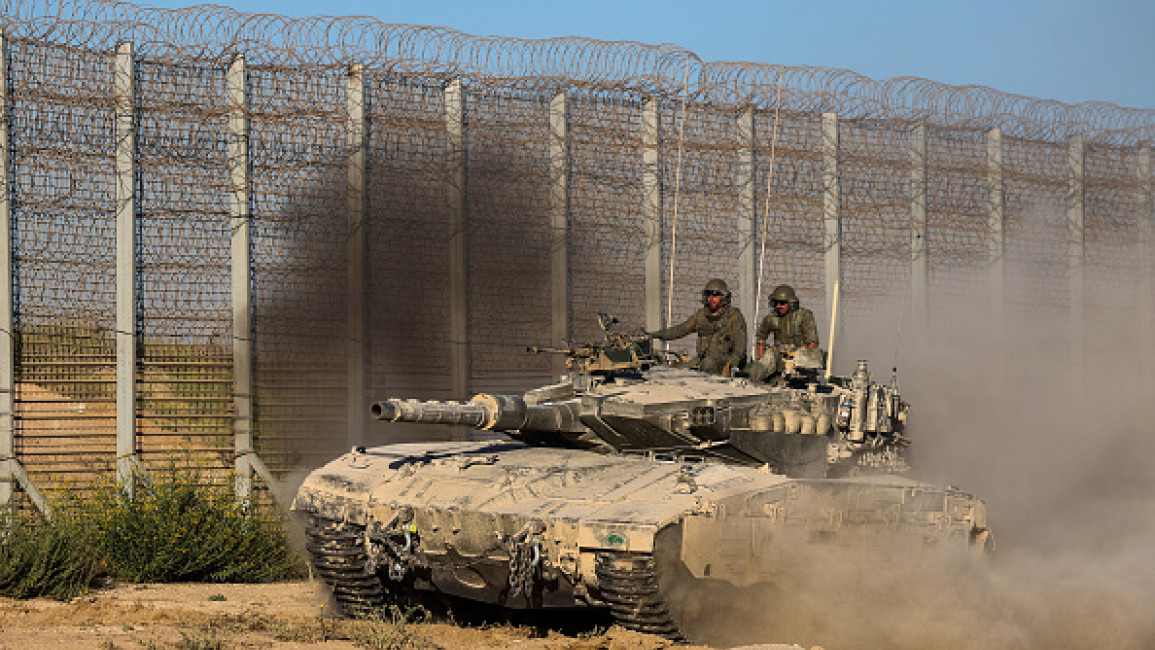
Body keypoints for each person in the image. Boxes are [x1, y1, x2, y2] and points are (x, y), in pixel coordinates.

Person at [648, 279, 747, 376]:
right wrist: (657, 334)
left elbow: (740, 347)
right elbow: (681, 330)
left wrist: (733, 364)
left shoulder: (734, 316)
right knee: (679, 369)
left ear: (724, 297)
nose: (711, 298)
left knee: (708, 364)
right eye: (709, 294)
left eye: (715, 295)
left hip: (726, 360)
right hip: (702, 359)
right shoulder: (701, 316)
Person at [748, 284, 819, 382]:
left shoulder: (804, 316)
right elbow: (761, 338)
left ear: (791, 303)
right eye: (776, 303)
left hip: (799, 360)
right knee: (759, 368)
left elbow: (812, 342)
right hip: (779, 358)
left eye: (782, 303)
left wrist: (803, 362)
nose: (778, 306)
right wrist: (762, 360)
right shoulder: (772, 318)